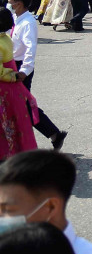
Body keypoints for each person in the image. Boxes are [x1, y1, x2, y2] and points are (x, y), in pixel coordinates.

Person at [7, 0, 66, 151]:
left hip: (20, 68)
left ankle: (53, 134)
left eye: (12, 3)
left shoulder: (28, 23)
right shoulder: (15, 18)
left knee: (25, 106)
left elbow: (30, 49)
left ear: (20, 4)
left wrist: (25, 70)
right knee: (16, 106)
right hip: (10, 64)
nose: (10, 6)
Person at [0, 11, 38, 159]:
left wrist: (12, 76)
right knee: (15, 120)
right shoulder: (7, 39)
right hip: (12, 88)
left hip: (4, 86)